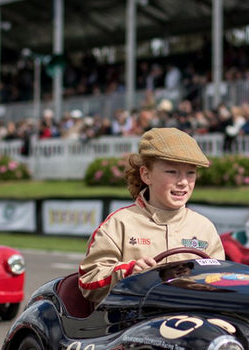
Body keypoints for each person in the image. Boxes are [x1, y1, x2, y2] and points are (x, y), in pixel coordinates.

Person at [78, 127, 224, 305]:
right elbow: (88, 281)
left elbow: (219, 280)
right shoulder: (119, 223)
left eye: (190, 173)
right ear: (146, 175)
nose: (183, 182)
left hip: (191, 315)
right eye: (172, 172)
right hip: (133, 317)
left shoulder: (204, 227)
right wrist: (129, 272)